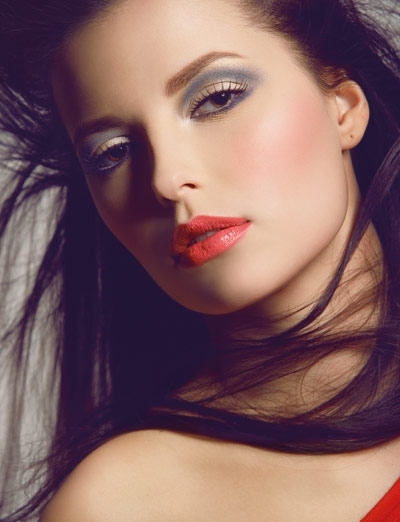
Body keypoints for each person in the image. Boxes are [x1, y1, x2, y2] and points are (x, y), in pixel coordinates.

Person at [0, 0, 400, 520]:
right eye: (112, 152)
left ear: (344, 107)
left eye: (216, 99)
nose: (165, 179)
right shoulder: (122, 506)